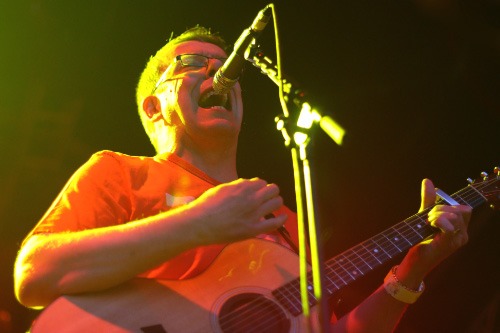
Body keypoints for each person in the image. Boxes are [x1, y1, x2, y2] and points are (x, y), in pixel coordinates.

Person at [14, 26, 471, 332]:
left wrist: (413, 271)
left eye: (227, 66)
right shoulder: (120, 172)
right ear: (154, 107)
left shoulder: (284, 219)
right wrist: (200, 224)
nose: (219, 70)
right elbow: (35, 275)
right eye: (194, 63)